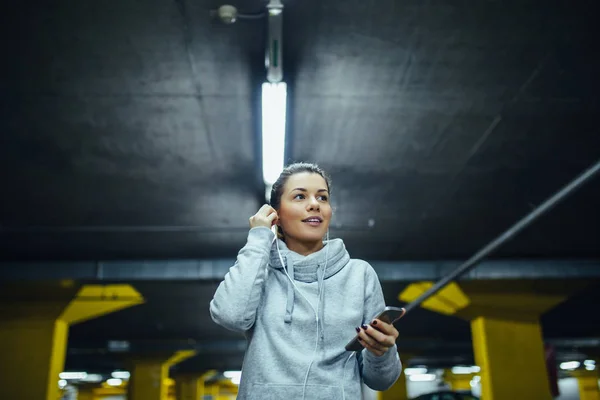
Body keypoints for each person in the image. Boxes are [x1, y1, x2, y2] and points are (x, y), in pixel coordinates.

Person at [210, 162, 402, 400]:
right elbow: (230, 316)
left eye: (322, 198)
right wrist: (259, 236)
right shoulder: (258, 271)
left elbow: (381, 381)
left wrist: (381, 351)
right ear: (275, 214)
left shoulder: (359, 274)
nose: (314, 204)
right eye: (300, 196)